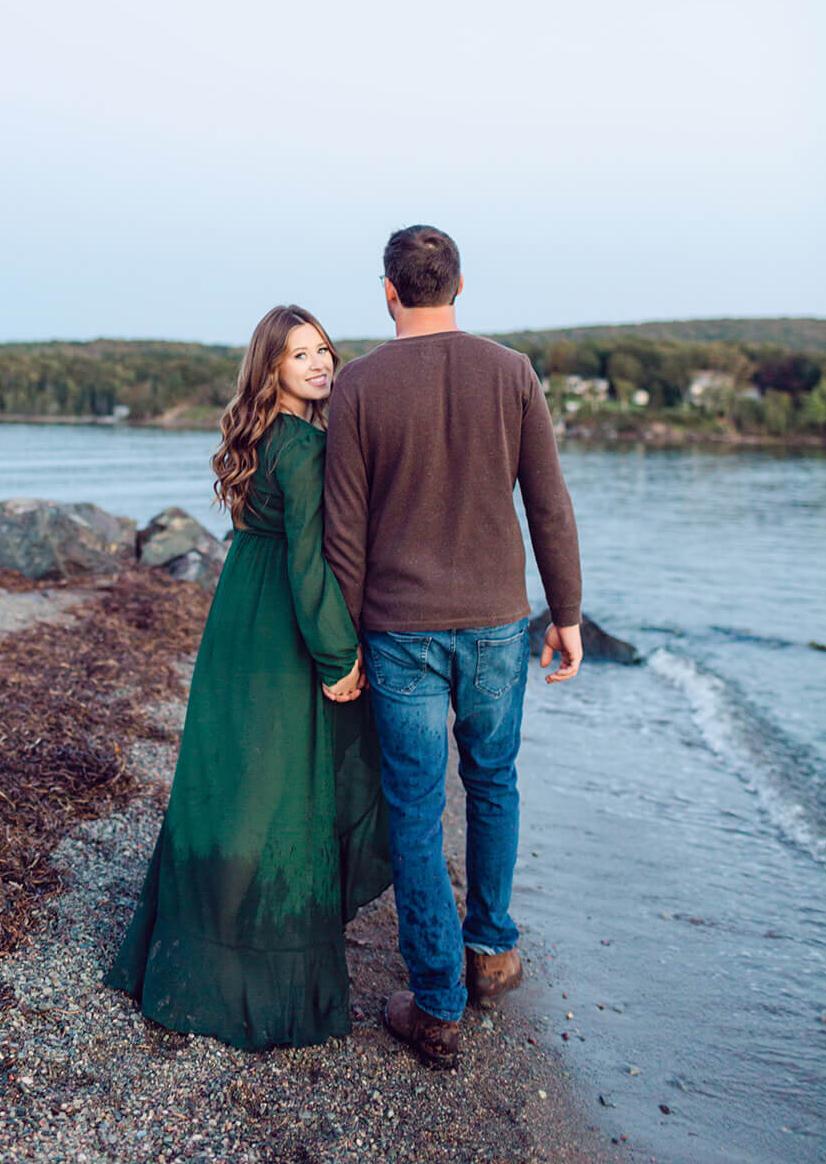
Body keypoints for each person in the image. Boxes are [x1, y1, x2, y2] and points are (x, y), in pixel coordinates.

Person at [323, 226, 583, 1071]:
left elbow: (344, 534)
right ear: (458, 285)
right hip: (499, 621)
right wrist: (566, 613)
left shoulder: (356, 387)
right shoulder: (510, 372)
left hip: (397, 630)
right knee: (493, 780)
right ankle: (491, 953)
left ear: (388, 292)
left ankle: (435, 1002)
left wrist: (343, 642)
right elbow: (548, 503)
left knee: (414, 806)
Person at [103, 304, 391, 1049]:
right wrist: (338, 657)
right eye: (300, 356)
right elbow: (307, 565)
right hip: (281, 637)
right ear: (271, 371)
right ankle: (250, 980)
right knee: (280, 793)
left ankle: (180, 954)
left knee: (229, 780)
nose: (320, 364)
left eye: (323, 350)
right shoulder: (303, 448)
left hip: (237, 618)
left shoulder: (260, 435)